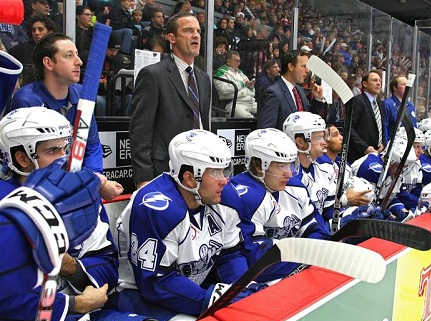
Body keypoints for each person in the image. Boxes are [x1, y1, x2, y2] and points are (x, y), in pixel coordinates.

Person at [0, 107, 162, 321]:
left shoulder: (82, 197)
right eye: (53, 151)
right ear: (22, 158)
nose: (65, 160)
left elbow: (107, 264)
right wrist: (73, 305)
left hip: (86, 316)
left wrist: (72, 268)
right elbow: (7, 299)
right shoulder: (4, 206)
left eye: (66, 149)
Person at [110, 129, 253, 321]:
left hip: (190, 289)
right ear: (189, 178)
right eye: (215, 172)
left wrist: (239, 290)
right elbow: (155, 282)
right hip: (136, 293)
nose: (225, 180)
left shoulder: (225, 198)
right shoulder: (156, 208)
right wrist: (210, 300)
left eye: (225, 170)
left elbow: (229, 254)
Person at [8, 33, 123, 201]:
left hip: (75, 185)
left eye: (76, 54)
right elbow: (34, 165)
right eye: (69, 56)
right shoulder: (27, 101)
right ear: (48, 63)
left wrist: (95, 179)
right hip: (39, 194)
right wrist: (91, 182)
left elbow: (92, 145)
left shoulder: (82, 94)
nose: (79, 61)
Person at [224, 128, 330, 281]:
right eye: (281, 166)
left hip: (294, 271)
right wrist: (309, 256)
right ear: (259, 166)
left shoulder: (296, 187)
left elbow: (315, 230)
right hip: (263, 282)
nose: (289, 173)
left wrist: (316, 252)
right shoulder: (242, 197)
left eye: (290, 165)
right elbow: (257, 259)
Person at [130, 12, 211, 189]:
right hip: (165, 171)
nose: (196, 35)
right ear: (171, 37)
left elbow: (203, 125)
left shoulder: (204, 79)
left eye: (198, 31)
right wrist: (143, 178)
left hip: (200, 169)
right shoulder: (153, 75)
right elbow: (140, 132)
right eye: (189, 30)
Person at [257, 50, 325, 130]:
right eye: (303, 66)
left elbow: (308, 121)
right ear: (291, 67)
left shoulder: (299, 91)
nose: (307, 71)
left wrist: (317, 99)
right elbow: (266, 130)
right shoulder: (273, 93)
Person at [347, 69, 385, 164]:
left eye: (379, 81)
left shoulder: (380, 103)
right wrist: (365, 148)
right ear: (365, 84)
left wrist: (383, 144)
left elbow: (382, 125)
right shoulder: (357, 101)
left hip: (377, 153)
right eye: (374, 80)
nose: (378, 83)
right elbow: (349, 128)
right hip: (359, 156)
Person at [214, 50, 257, 118]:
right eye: (236, 61)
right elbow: (224, 89)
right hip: (234, 103)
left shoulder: (240, 72)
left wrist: (250, 86)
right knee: (248, 118)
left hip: (250, 101)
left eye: (239, 61)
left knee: (267, 112)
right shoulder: (220, 73)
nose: (239, 63)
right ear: (228, 61)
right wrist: (242, 83)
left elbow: (250, 88)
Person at [384, 74, 417, 142]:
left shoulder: (410, 105)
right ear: (395, 88)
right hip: (394, 147)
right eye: (404, 84)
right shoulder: (387, 104)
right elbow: (384, 127)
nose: (407, 87)